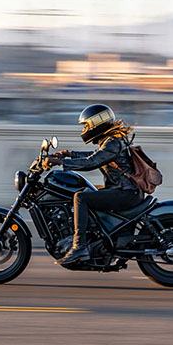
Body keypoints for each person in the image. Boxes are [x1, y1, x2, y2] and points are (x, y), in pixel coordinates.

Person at [42, 104, 143, 265]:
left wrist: (61, 162)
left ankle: (79, 247)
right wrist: (69, 154)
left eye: (87, 125)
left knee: (81, 197)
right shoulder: (110, 140)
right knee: (86, 191)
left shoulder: (112, 142)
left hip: (125, 192)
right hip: (124, 190)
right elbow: (95, 155)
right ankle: (93, 238)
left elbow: (92, 161)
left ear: (97, 124)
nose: (85, 129)